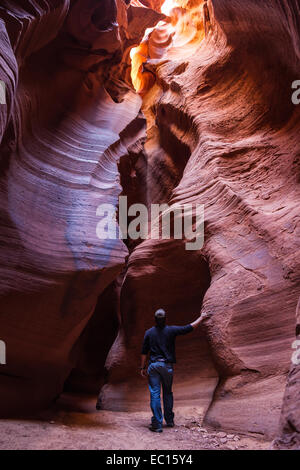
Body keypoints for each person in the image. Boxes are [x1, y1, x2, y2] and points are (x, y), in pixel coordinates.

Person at [140, 308, 207, 433]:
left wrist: (142, 367)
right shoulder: (171, 330)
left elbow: (144, 352)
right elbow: (189, 327)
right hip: (167, 366)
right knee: (167, 392)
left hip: (154, 366)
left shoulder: (149, 333)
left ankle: (157, 424)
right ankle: (169, 421)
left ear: (155, 320)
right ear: (165, 319)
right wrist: (202, 318)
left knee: (155, 394)